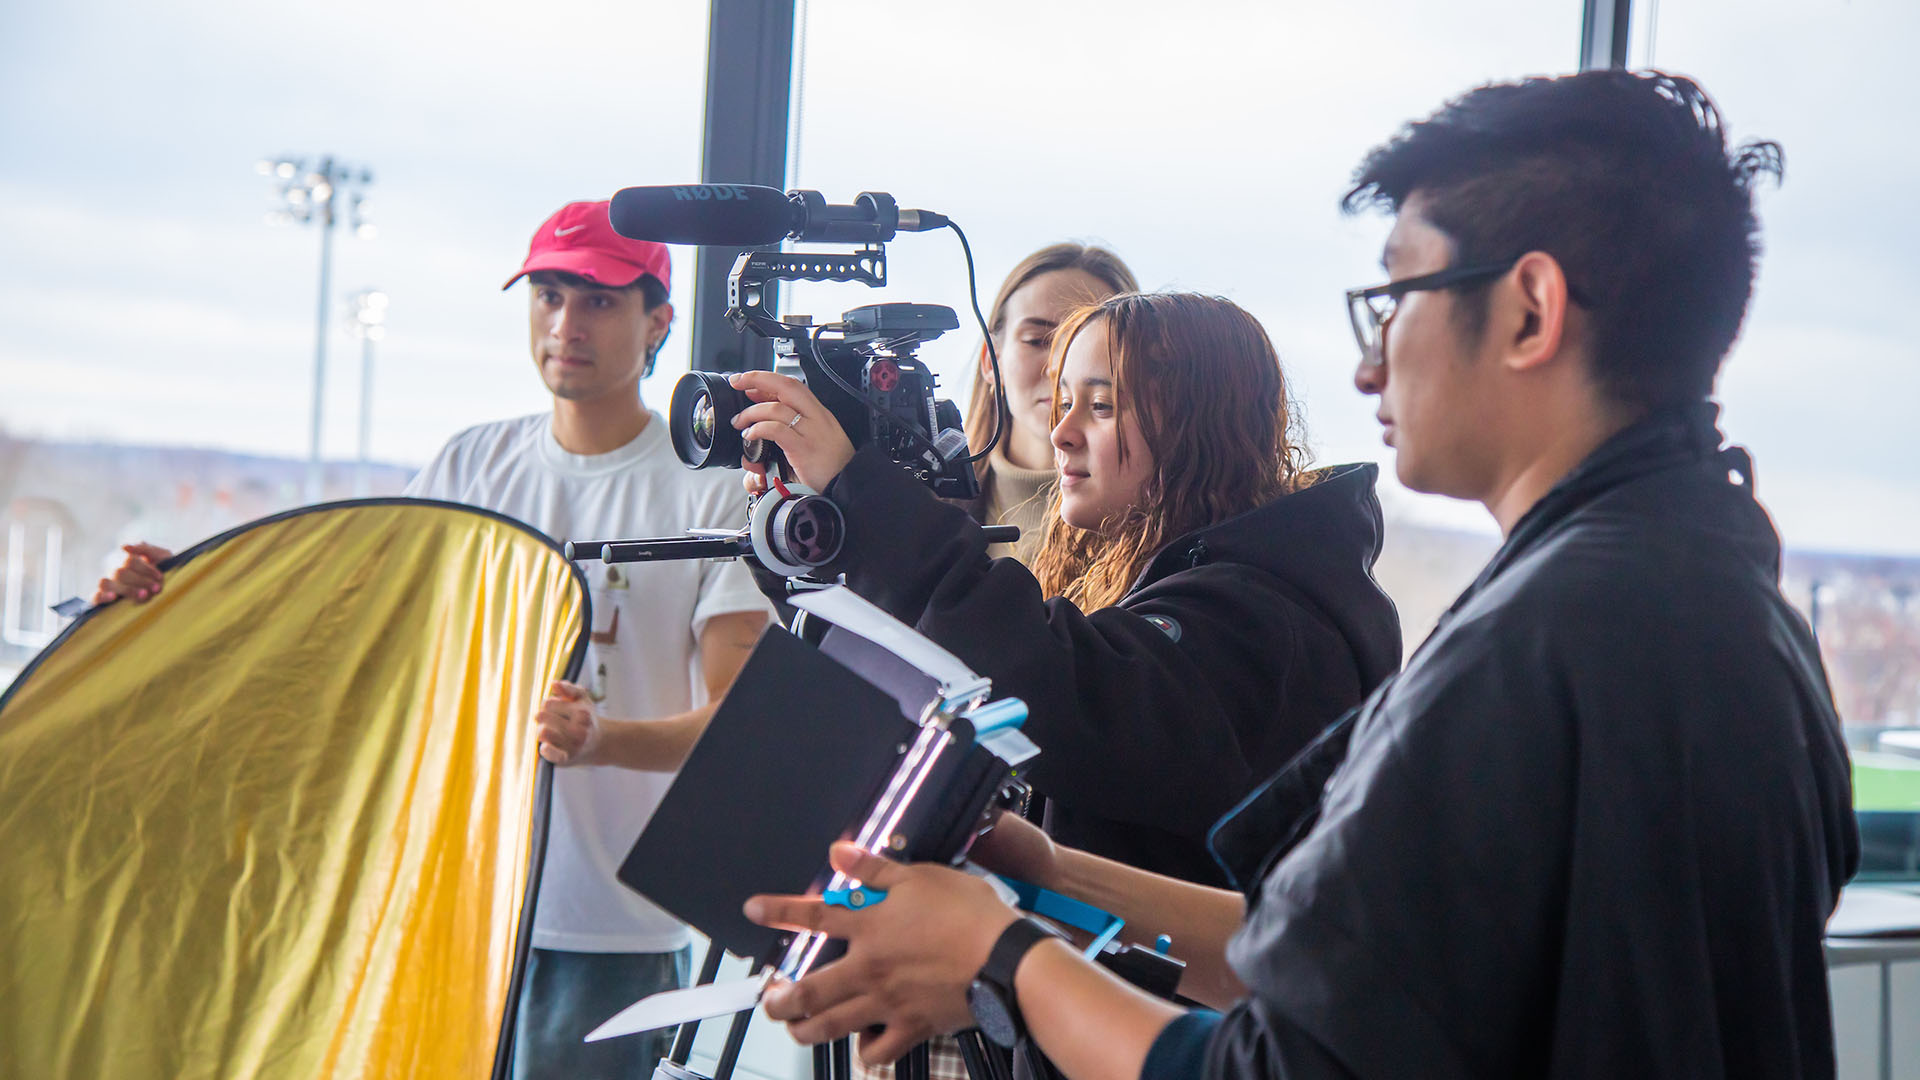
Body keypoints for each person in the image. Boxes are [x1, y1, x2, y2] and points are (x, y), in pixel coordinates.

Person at [738, 71, 1860, 1079]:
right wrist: (1052, 874)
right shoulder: (1715, 595)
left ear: (1529, 309)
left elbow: (1275, 1062)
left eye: (1396, 298)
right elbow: (1341, 957)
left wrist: (1000, 953)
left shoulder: (1549, 640)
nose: (1370, 360)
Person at [93, 200, 774, 1080]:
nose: (566, 324)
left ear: (659, 323)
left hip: (608, 930)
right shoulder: (470, 465)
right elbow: (338, 617)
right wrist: (171, 592)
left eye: (599, 301)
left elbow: (736, 721)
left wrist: (606, 743)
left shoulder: (706, 495)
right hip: (450, 905)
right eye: (549, 295)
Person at [729, 290, 1402, 889]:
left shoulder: (1261, 618)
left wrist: (868, 497)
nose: (1061, 432)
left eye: (1102, 406)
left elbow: (1051, 687)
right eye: (1063, 402)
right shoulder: (1171, 576)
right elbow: (920, 667)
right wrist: (813, 538)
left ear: (1202, 429)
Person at [960, 243, 1139, 560]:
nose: (1059, 366)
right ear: (992, 362)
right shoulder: (931, 507)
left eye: (1083, 341)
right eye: (1037, 341)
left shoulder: (1163, 536)